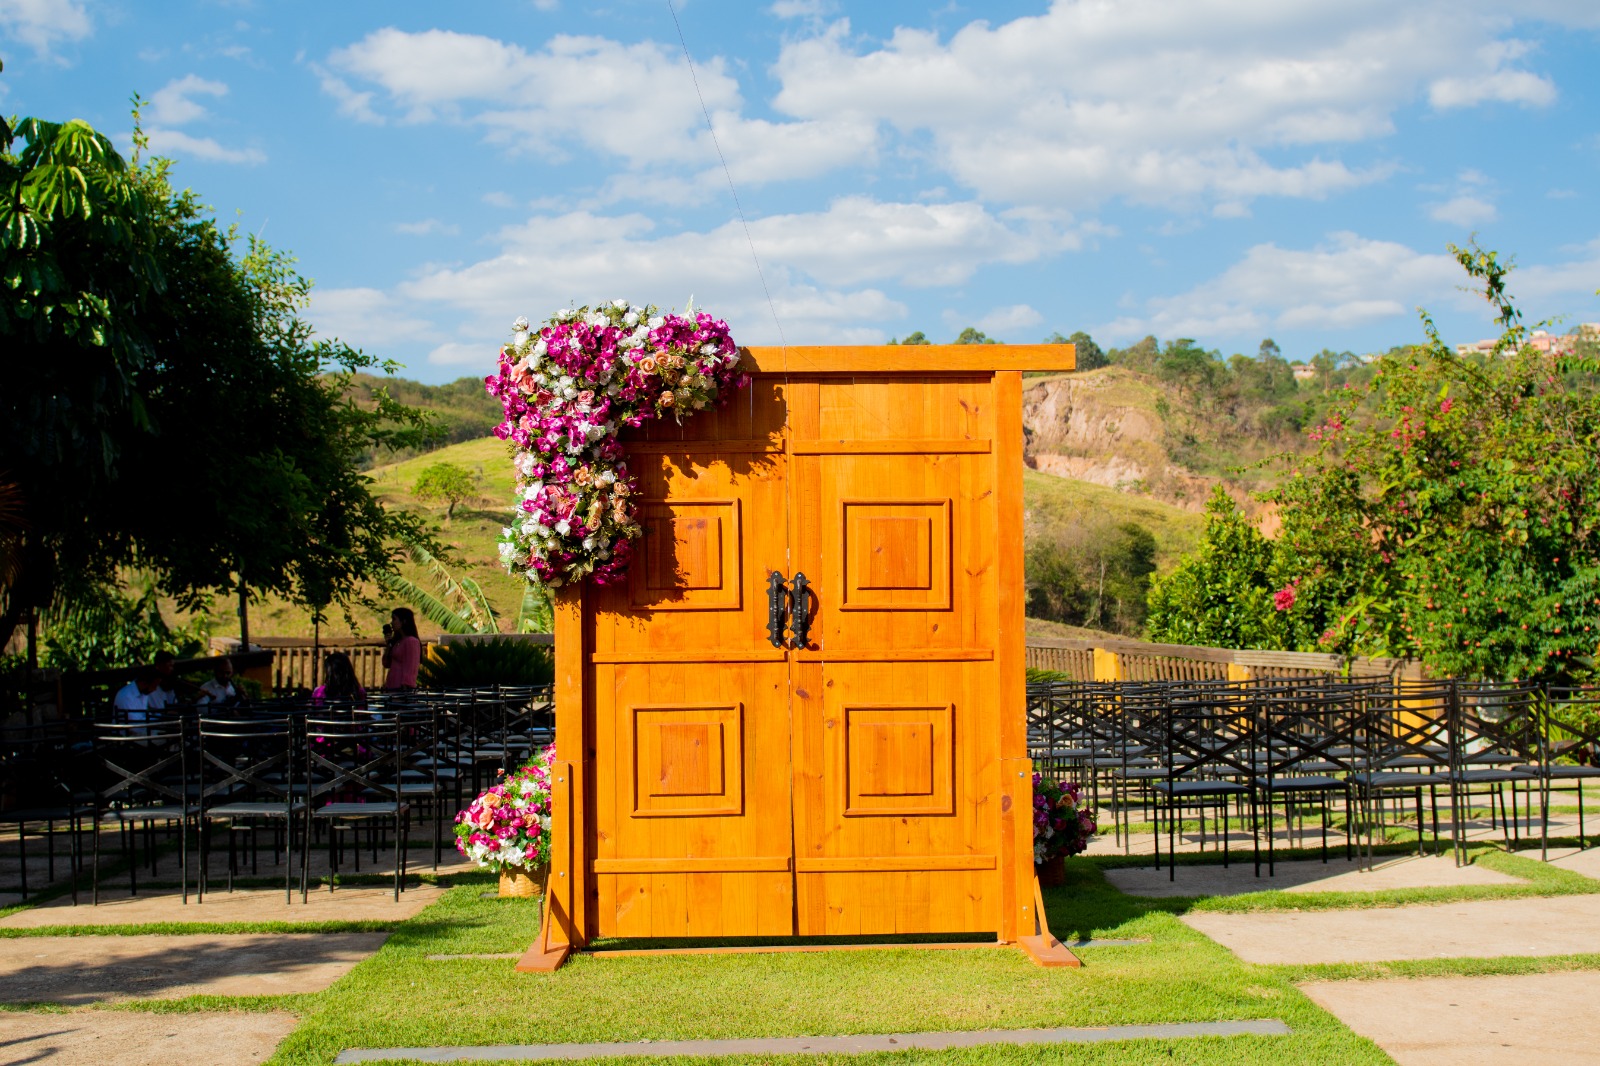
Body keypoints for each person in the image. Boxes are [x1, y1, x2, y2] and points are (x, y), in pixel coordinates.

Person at [382, 607, 422, 690]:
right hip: (392, 686)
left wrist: (406, 686)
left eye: (394, 619)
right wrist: (389, 645)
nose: (391, 623)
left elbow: (411, 666)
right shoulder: (397, 642)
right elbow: (386, 663)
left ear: (403, 621)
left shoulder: (411, 641)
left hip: (402, 688)